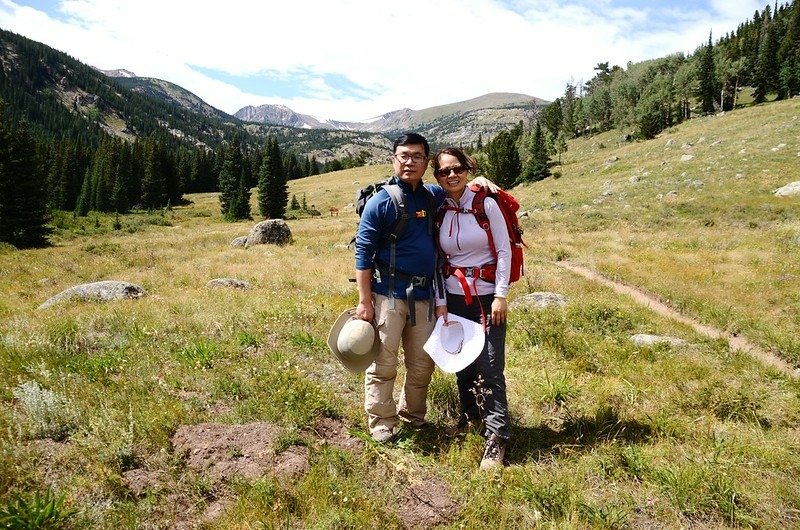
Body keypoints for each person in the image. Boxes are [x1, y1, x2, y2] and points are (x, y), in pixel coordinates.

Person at [354, 133, 494, 443]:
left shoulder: (433, 195)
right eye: (404, 155)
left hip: (426, 296)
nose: (410, 162)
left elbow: (458, 188)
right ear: (394, 159)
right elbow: (362, 253)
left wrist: (479, 181)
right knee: (383, 363)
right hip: (388, 295)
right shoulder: (381, 202)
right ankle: (382, 422)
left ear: (426, 162)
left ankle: (413, 417)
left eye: (417, 156)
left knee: (422, 366)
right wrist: (365, 302)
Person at [431, 146, 511, 470]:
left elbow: (503, 251)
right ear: (436, 177)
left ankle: (497, 437)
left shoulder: (486, 204)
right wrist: (440, 304)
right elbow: (439, 261)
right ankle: (470, 419)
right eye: (444, 171)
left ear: (467, 168)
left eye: (457, 169)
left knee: (491, 366)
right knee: (462, 363)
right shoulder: (440, 209)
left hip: (488, 296)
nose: (451, 175)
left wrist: (501, 295)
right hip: (453, 298)